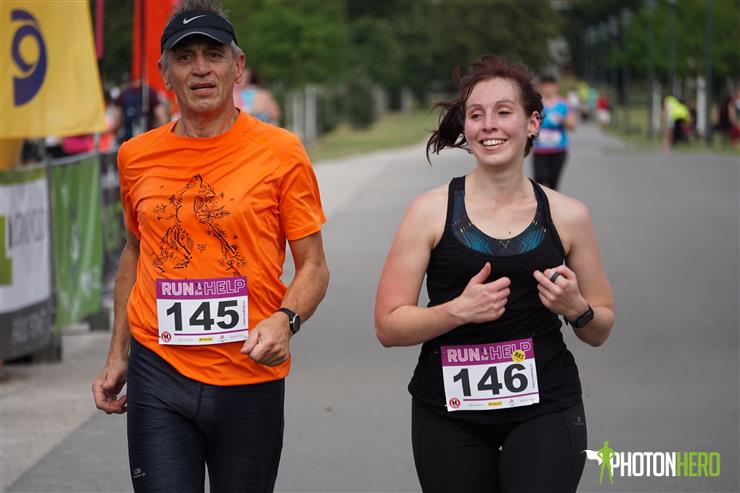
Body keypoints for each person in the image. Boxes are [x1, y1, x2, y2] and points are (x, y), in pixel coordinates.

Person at [91, 2, 329, 491]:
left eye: (213, 54)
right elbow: (134, 253)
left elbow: (314, 266)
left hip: (249, 373)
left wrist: (285, 320)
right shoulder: (135, 156)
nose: (200, 69)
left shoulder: (281, 152)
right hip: (159, 371)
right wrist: (118, 354)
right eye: (185, 57)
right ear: (165, 73)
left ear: (237, 66)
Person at [374, 54, 615, 493]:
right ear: (465, 127)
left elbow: (600, 328)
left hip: (545, 407)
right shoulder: (428, 212)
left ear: (533, 123)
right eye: (476, 115)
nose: (489, 126)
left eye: (504, 112)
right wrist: (456, 311)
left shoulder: (569, 216)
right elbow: (388, 326)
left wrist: (576, 308)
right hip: (450, 414)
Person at [531, 74, 576, 191]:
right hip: (540, 150)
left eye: (550, 85)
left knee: (553, 183)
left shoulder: (564, 104)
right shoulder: (536, 104)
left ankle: (552, 203)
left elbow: (572, 125)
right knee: (539, 180)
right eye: (545, 85)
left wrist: (561, 119)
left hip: (558, 150)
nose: (548, 88)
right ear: (541, 87)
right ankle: (540, 202)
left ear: (556, 86)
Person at [112, 76, 169, 142]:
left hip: (128, 141)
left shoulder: (123, 94)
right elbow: (162, 119)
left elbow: (116, 123)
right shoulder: (150, 93)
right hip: (148, 139)